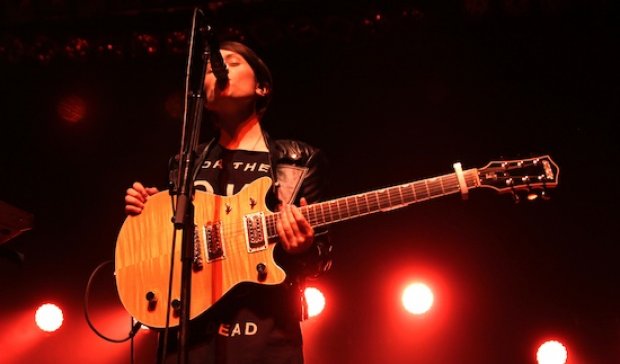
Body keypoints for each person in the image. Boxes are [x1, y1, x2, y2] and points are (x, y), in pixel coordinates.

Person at [124, 41, 332, 363]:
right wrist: (150, 213)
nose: (219, 70)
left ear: (262, 87)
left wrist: (302, 248)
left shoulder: (298, 160)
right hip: (190, 336)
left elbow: (322, 257)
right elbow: (170, 248)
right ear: (203, 100)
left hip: (268, 336)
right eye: (210, 69)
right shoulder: (185, 162)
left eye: (232, 63)